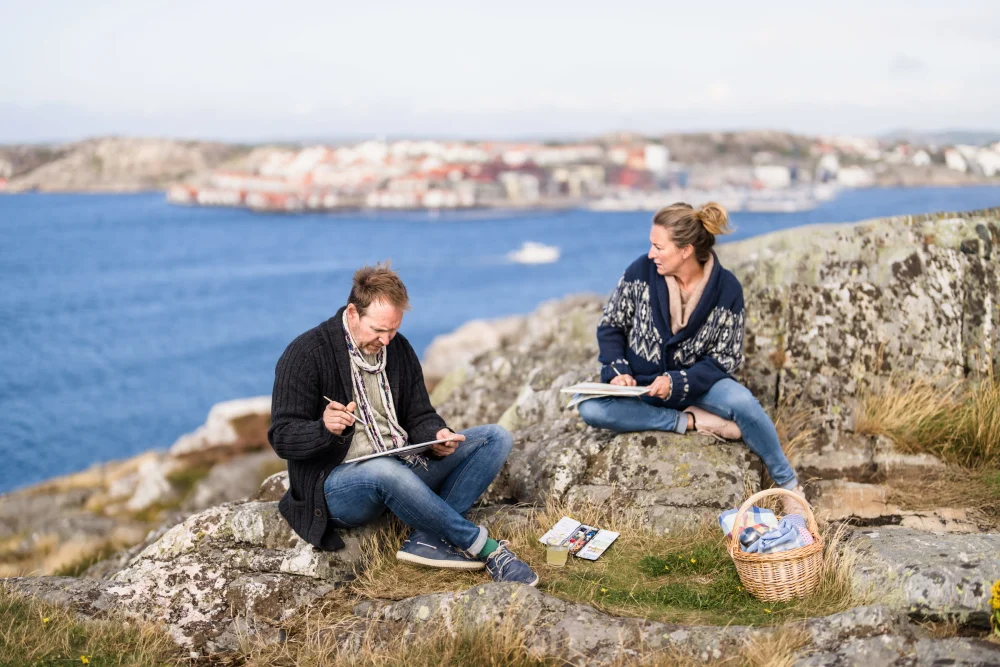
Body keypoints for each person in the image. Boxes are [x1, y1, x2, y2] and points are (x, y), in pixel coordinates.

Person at [267, 261, 538, 585]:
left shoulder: (399, 349)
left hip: (402, 462)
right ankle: (486, 549)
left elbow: (419, 414)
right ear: (353, 314)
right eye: (378, 330)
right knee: (384, 470)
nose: (386, 340)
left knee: (495, 437)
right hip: (336, 488)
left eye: (392, 330)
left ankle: (428, 539)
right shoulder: (306, 354)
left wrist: (436, 435)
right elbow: (281, 437)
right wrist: (322, 429)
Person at [577, 202, 806, 515]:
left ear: (685, 250)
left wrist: (678, 382)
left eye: (658, 246)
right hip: (641, 387)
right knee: (589, 406)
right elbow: (611, 325)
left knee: (744, 405)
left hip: (699, 386)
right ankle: (691, 420)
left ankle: (789, 488)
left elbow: (726, 358)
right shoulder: (639, 273)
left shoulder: (727, 289)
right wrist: (618, 370)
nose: (650, 254)